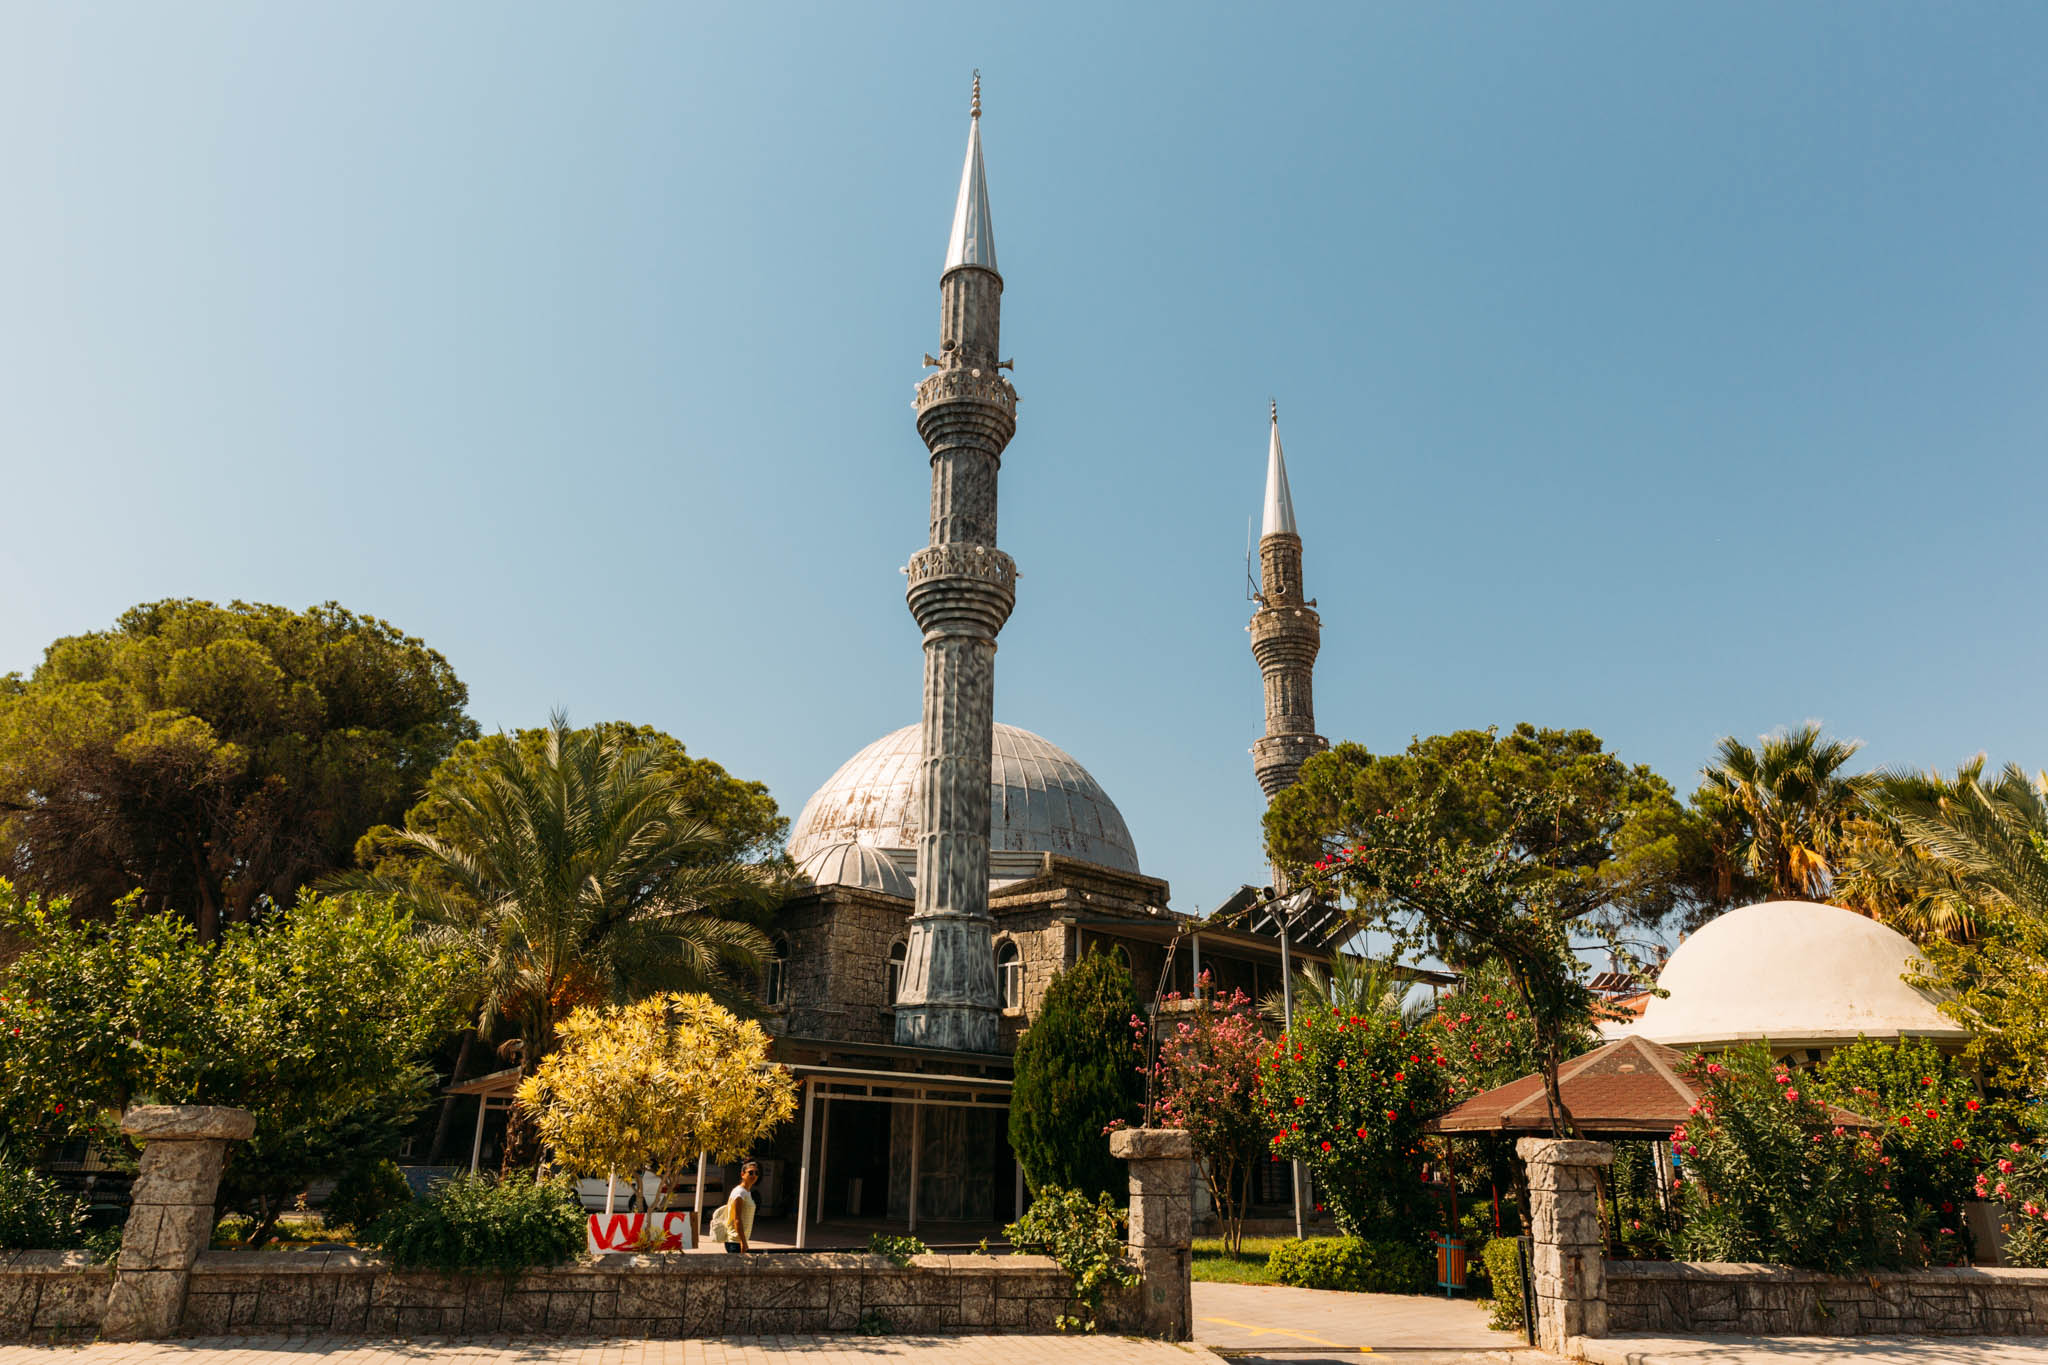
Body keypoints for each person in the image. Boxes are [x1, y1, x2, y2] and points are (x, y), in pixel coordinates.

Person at [708, 1160, 759, 1253]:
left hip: (738, 1241)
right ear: (742, 1174)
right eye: (750, 1172)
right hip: (735, 1241)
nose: (754, 1175)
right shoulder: (740, 1193)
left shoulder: (746, 1192)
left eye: (756, 1173)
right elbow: (737, 1219)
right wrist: (743, 1242)